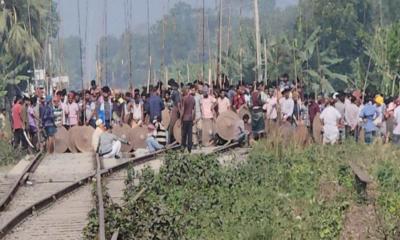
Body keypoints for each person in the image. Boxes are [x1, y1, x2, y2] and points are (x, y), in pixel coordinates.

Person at [181, 88, 195, 153]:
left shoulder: (184, 98)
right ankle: (189, 148)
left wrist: (181, 118)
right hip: (190, 118)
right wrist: (193, 118)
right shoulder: (193, 99)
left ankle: (183, 147)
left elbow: (183, 109)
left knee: (184, 134)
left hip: (185, 118)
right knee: (190, 134)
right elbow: (193, 110)